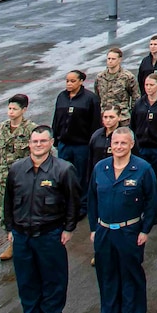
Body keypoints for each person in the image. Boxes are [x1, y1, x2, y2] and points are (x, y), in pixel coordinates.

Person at [5, 124, 81, 313]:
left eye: (43, 141)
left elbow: (73, 202)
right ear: (29, 144)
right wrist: (10, 228)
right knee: (26, 280)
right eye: (35, 141)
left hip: (50, 234)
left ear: (51, 143)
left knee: (53, 279)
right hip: (22, 235)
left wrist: (68, 228)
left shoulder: (63, 169)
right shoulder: (17, 170)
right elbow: (8, 202)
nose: (38, 145)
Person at [87, 124, 157, 313]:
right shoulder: (100, 168)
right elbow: (91, 199)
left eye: (123, 143)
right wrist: (93, 228)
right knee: (106, 275)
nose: (119, 146)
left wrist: (145, 230)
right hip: (104, 231)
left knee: (130, 276)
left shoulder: (143, 169)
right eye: (115, 143)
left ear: (131, 145)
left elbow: (152, 201)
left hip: (130, 231)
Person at [52, 70, 101, 214]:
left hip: (82, 145)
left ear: (81, 82)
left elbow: (95, 123)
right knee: (63, 176)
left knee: (81, 176)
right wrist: (55, 137)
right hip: (64, 144)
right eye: (67, 81)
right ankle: (66, 204)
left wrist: (92, 142)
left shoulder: (90, 99)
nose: (69, 84)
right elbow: (57, 119)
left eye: (73, 81)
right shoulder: (61, 97)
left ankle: (82, 205)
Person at [0, 95, 34, 264]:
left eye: (15, 109)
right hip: (4, 179)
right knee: (5, 212)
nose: (11, 112)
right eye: (9, 108)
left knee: (25, 210)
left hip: (23, 180)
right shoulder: (1, 128)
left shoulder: (31, 130)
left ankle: (28, 243)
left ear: (24, 110)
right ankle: (11, 242)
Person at [96, 47, 141, 115]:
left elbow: (136, 97)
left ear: (119, 60)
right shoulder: (100, 77)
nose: (110, 61)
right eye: (109, 58)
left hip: (122, 116)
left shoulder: (127, 77)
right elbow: (97, 96)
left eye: (113, 59)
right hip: (104, 116)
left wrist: (133, 113)